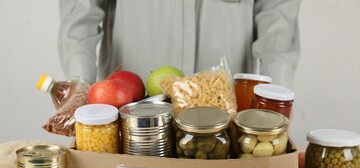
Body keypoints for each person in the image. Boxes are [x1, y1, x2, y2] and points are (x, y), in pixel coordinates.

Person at [58, 0, 301, 90]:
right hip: (129, 115)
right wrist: (80, 88)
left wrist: (276, 103)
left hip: (227, 124)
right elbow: (81, 13)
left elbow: (277, 21)